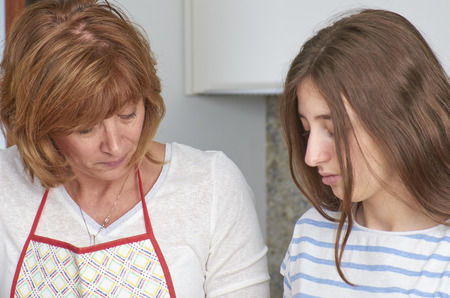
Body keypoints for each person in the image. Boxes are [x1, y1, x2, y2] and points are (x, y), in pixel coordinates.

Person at [0, 0, 270, 296]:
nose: (115, 146)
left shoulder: (212, 185)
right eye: (85, 128)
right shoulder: (6, 185)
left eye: (128, 115)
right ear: (41, 124)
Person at [279, 9, 449, 297]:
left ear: (400, 120)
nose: (312, 157)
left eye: (333, 131)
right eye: (307, 131)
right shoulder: (310, 235)